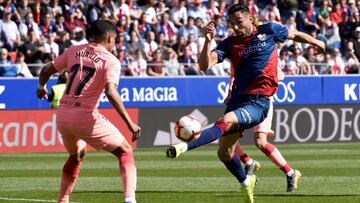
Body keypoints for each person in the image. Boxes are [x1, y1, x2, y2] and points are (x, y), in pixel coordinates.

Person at [166, 3, 325, 203]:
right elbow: (205, 65)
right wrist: (207, 41)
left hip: (259, 102)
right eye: (231, 24)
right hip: (237, 100)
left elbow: (294, 35)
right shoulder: (229, 43)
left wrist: (317, 42)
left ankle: (184, 147)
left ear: (250, 18)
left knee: (228, 121)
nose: (235, 27)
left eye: (238, 22)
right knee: (224, 153)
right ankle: (245, 181)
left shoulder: (269, 30)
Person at [36, 20, 141, 203]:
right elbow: (111, 91)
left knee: (77, 155)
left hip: (63, 116)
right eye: (114, 40)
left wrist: (41, 87)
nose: (114, 44)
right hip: (84, 115)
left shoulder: (73, 51)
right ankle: (130, 200)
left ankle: (62, 200)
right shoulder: (110, 60)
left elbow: (46, 70)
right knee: (125, 151)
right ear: (109, 38)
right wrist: (129, 123)